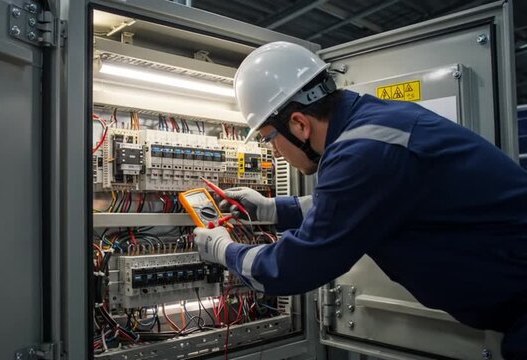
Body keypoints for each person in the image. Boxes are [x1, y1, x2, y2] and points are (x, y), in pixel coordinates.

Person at [192, 41, 527, 359]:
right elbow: (359, 205)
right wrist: (271, 209)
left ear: (298, 124)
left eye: (270, 140)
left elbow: (293, 267)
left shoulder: (363, 151)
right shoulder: (371, 124)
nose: (275, 152)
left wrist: (223, 250)